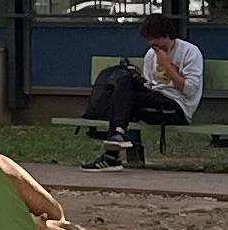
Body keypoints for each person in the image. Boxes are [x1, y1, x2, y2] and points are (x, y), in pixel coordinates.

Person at [79, 12, 202, 165]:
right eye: (149, 39)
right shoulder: (151, 54)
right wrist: (140, 81)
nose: (152, 43)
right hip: (154, 98)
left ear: (167, 35)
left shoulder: (190, 52)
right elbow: (151, 84)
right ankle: (117, 134)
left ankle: (111, 156)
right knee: (124, 80)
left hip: (176, 106)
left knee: (123, 103)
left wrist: (166, 66)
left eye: (155, 38)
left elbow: (189, 90)